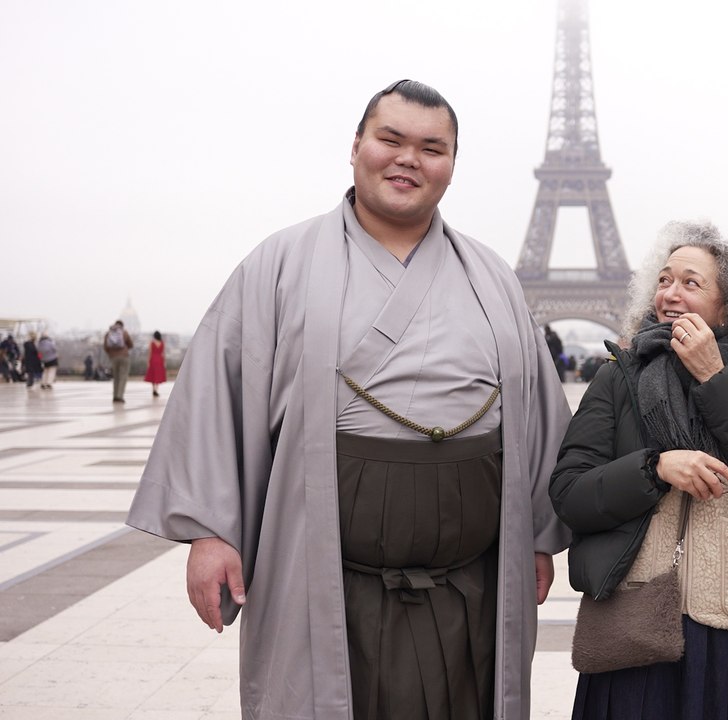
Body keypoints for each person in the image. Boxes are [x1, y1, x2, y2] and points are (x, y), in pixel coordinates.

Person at [126, 80, 571, 720]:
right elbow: (217, 397)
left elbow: (535, 416)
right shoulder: (278, 263)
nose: (408, 159)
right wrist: (210, 534)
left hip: (471, 582)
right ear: (356, 146)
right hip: (322, 576)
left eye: (431, 147)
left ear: (451, 164)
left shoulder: (492, 275)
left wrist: (536, 533)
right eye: (390, 139)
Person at [550, 221, 728, 720]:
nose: (671, 293)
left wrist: (716, 376)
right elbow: (570, 492)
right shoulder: (618, 375)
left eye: (691, 283)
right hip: (634, 618)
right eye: (665, 280)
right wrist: (654, 468)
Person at [103, 320, 133, 402]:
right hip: (124, 357)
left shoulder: (109, 333)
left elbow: (105, 346)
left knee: (116, 377)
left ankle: (115, 396)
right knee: (123, 377)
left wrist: (111, 353)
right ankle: (120, 396)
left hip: (113, 358)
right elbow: (130, 344)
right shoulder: (124, 332)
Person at [143, 331, 167, 396]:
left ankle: (153, 389)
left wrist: (148, 361)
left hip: (153, 359)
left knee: (153, 375)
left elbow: (150, 353)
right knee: (158, 375)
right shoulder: (162, 343)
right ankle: (156, 389)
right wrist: (164, 362)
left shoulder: (152, 343)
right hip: (160, 360)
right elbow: (163, 353)